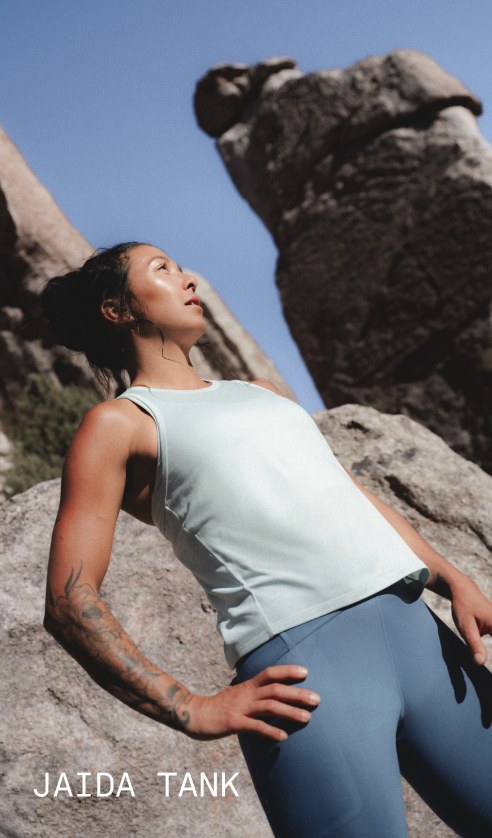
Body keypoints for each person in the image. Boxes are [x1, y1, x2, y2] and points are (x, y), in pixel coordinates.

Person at [41, 241, 492, 837]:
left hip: (423, 641)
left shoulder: (264, 394)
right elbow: (69, 600)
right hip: (308, 680)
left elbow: (352, 498)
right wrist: (193, 709)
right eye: (162, 270)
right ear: (117, 309)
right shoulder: (120, 425)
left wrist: (453, 579)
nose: (188, 278)